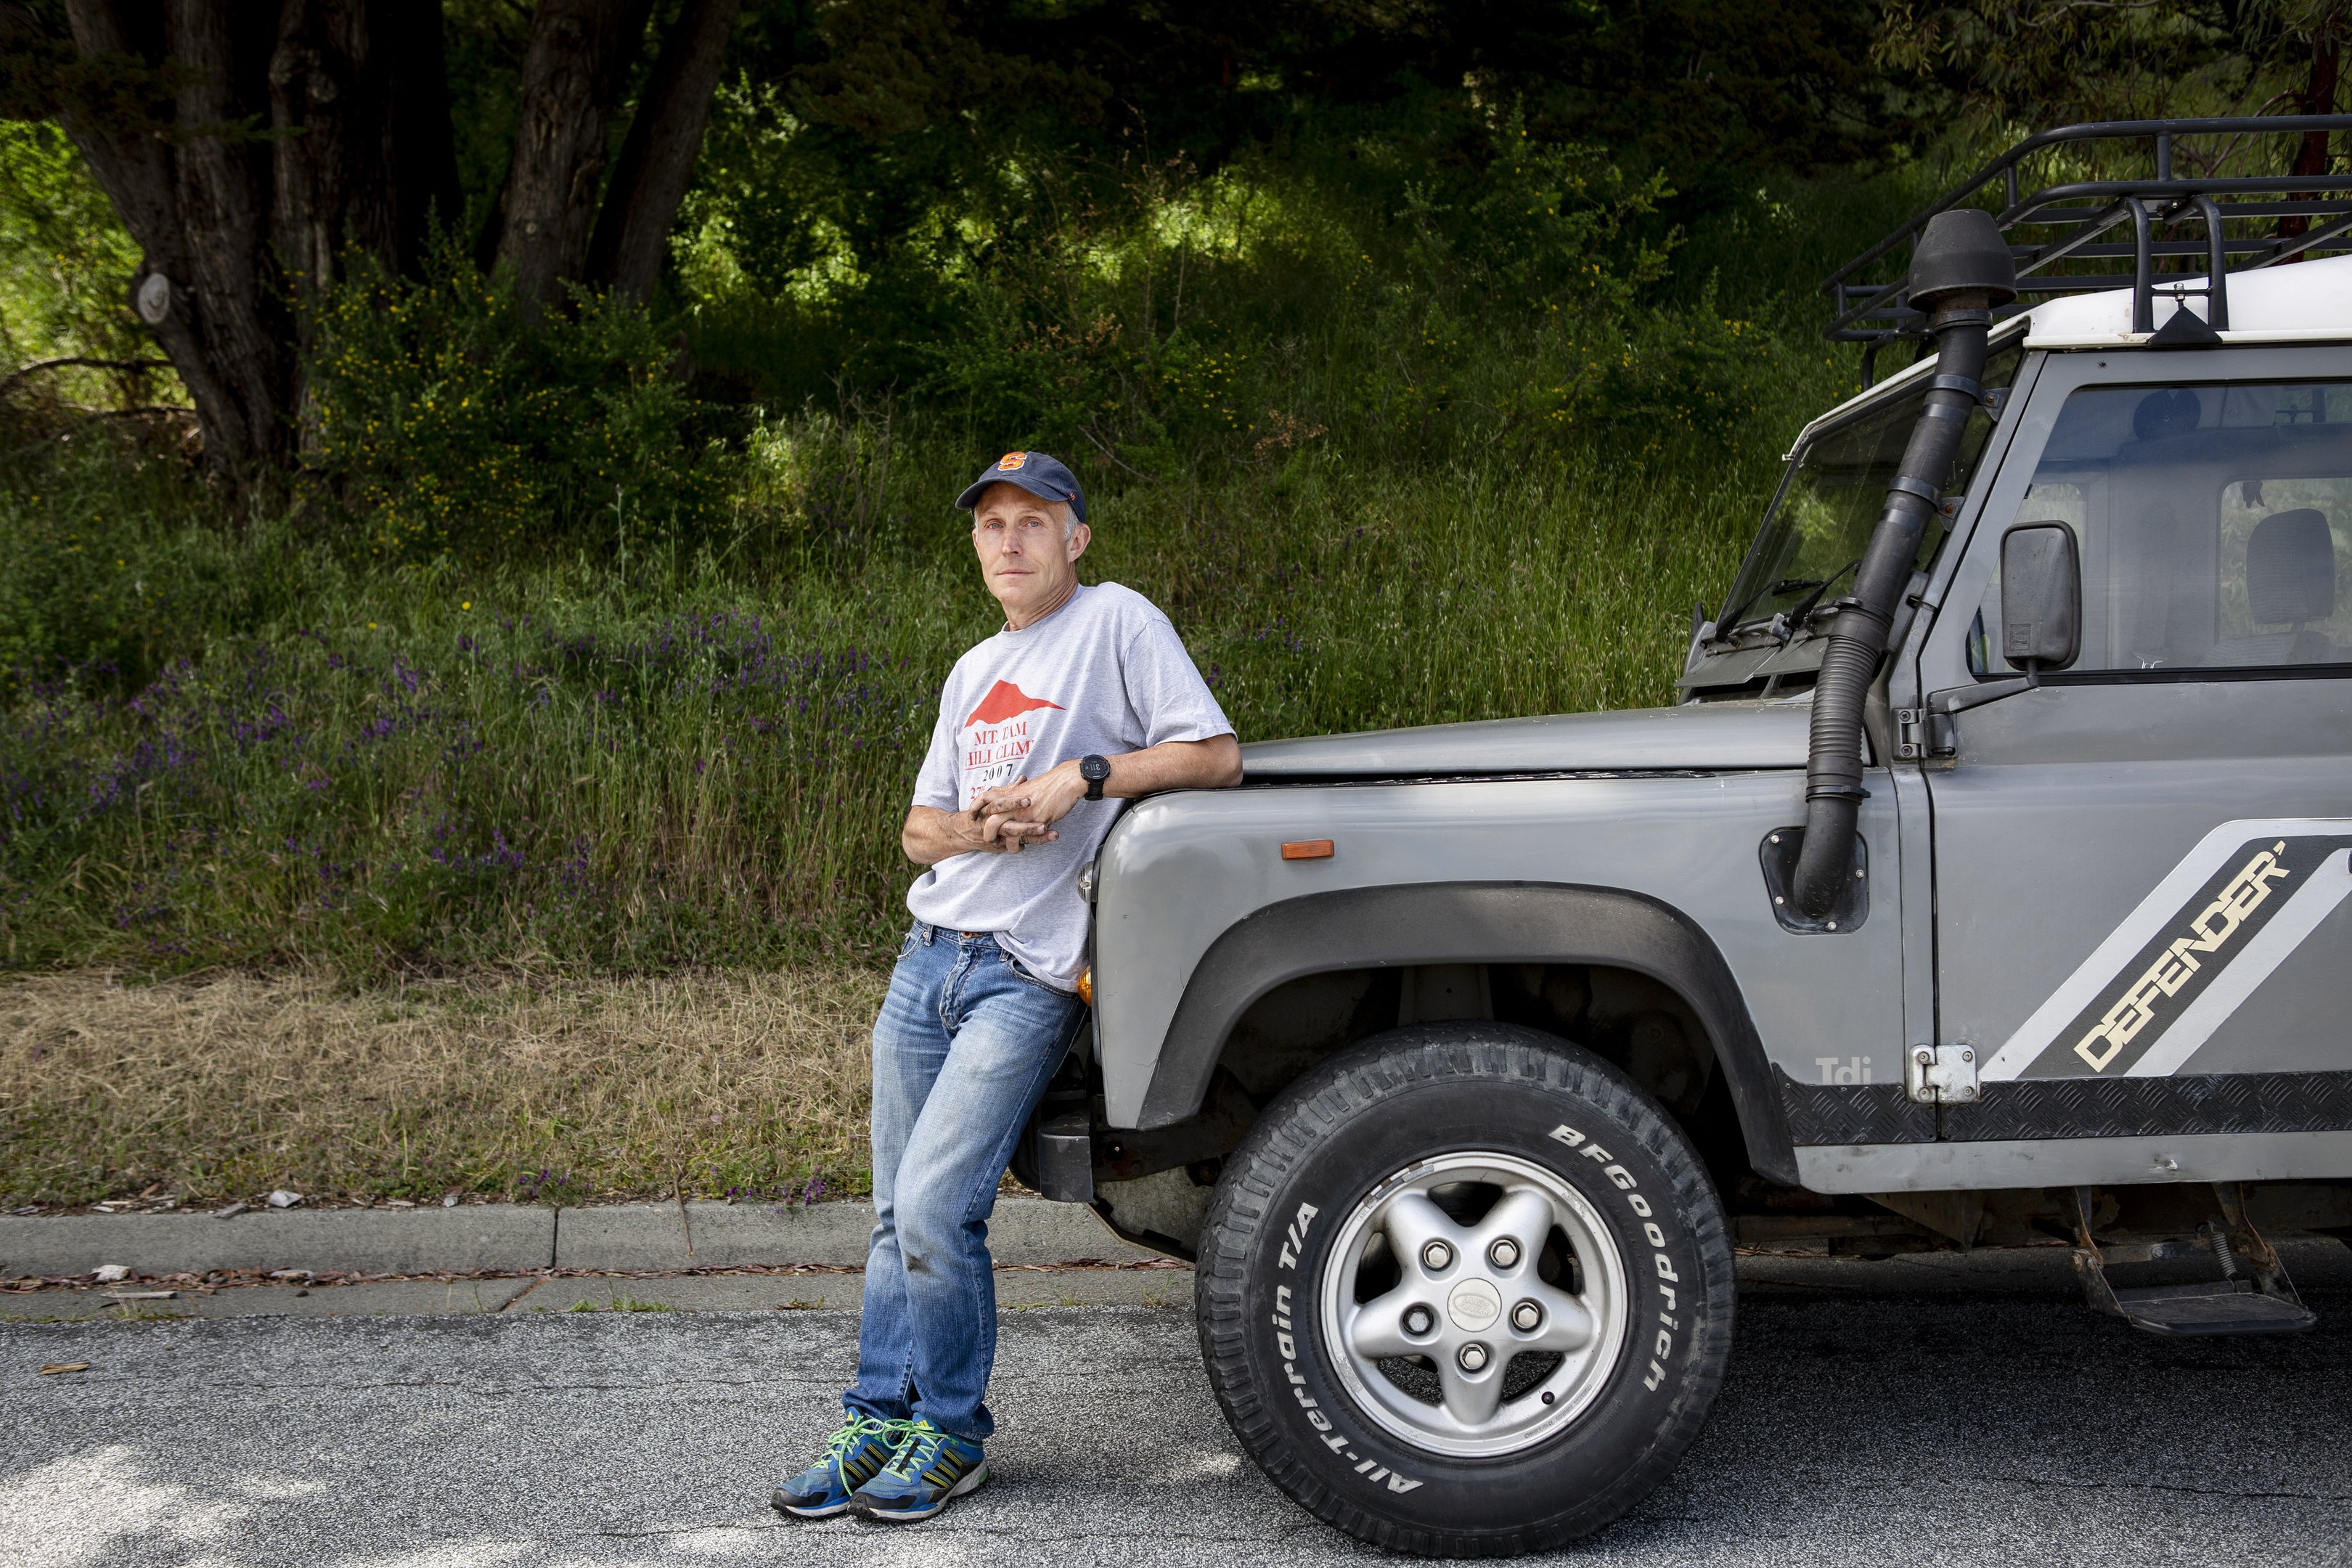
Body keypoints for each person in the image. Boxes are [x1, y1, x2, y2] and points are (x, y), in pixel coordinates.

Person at [773, 450, 1241, 1524]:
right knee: (894, 1214)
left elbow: (1215, 757)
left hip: (1027, 974)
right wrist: (982, 827)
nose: (1011, 541)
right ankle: (874, 1418)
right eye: (992, 525)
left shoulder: (1119, 621)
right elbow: (915, 833)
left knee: (940, 1205)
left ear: (1077, 539)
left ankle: (951, 1435)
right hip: (929, 959)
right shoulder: (972, 670)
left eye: (1035, 521)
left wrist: (1080, 778)